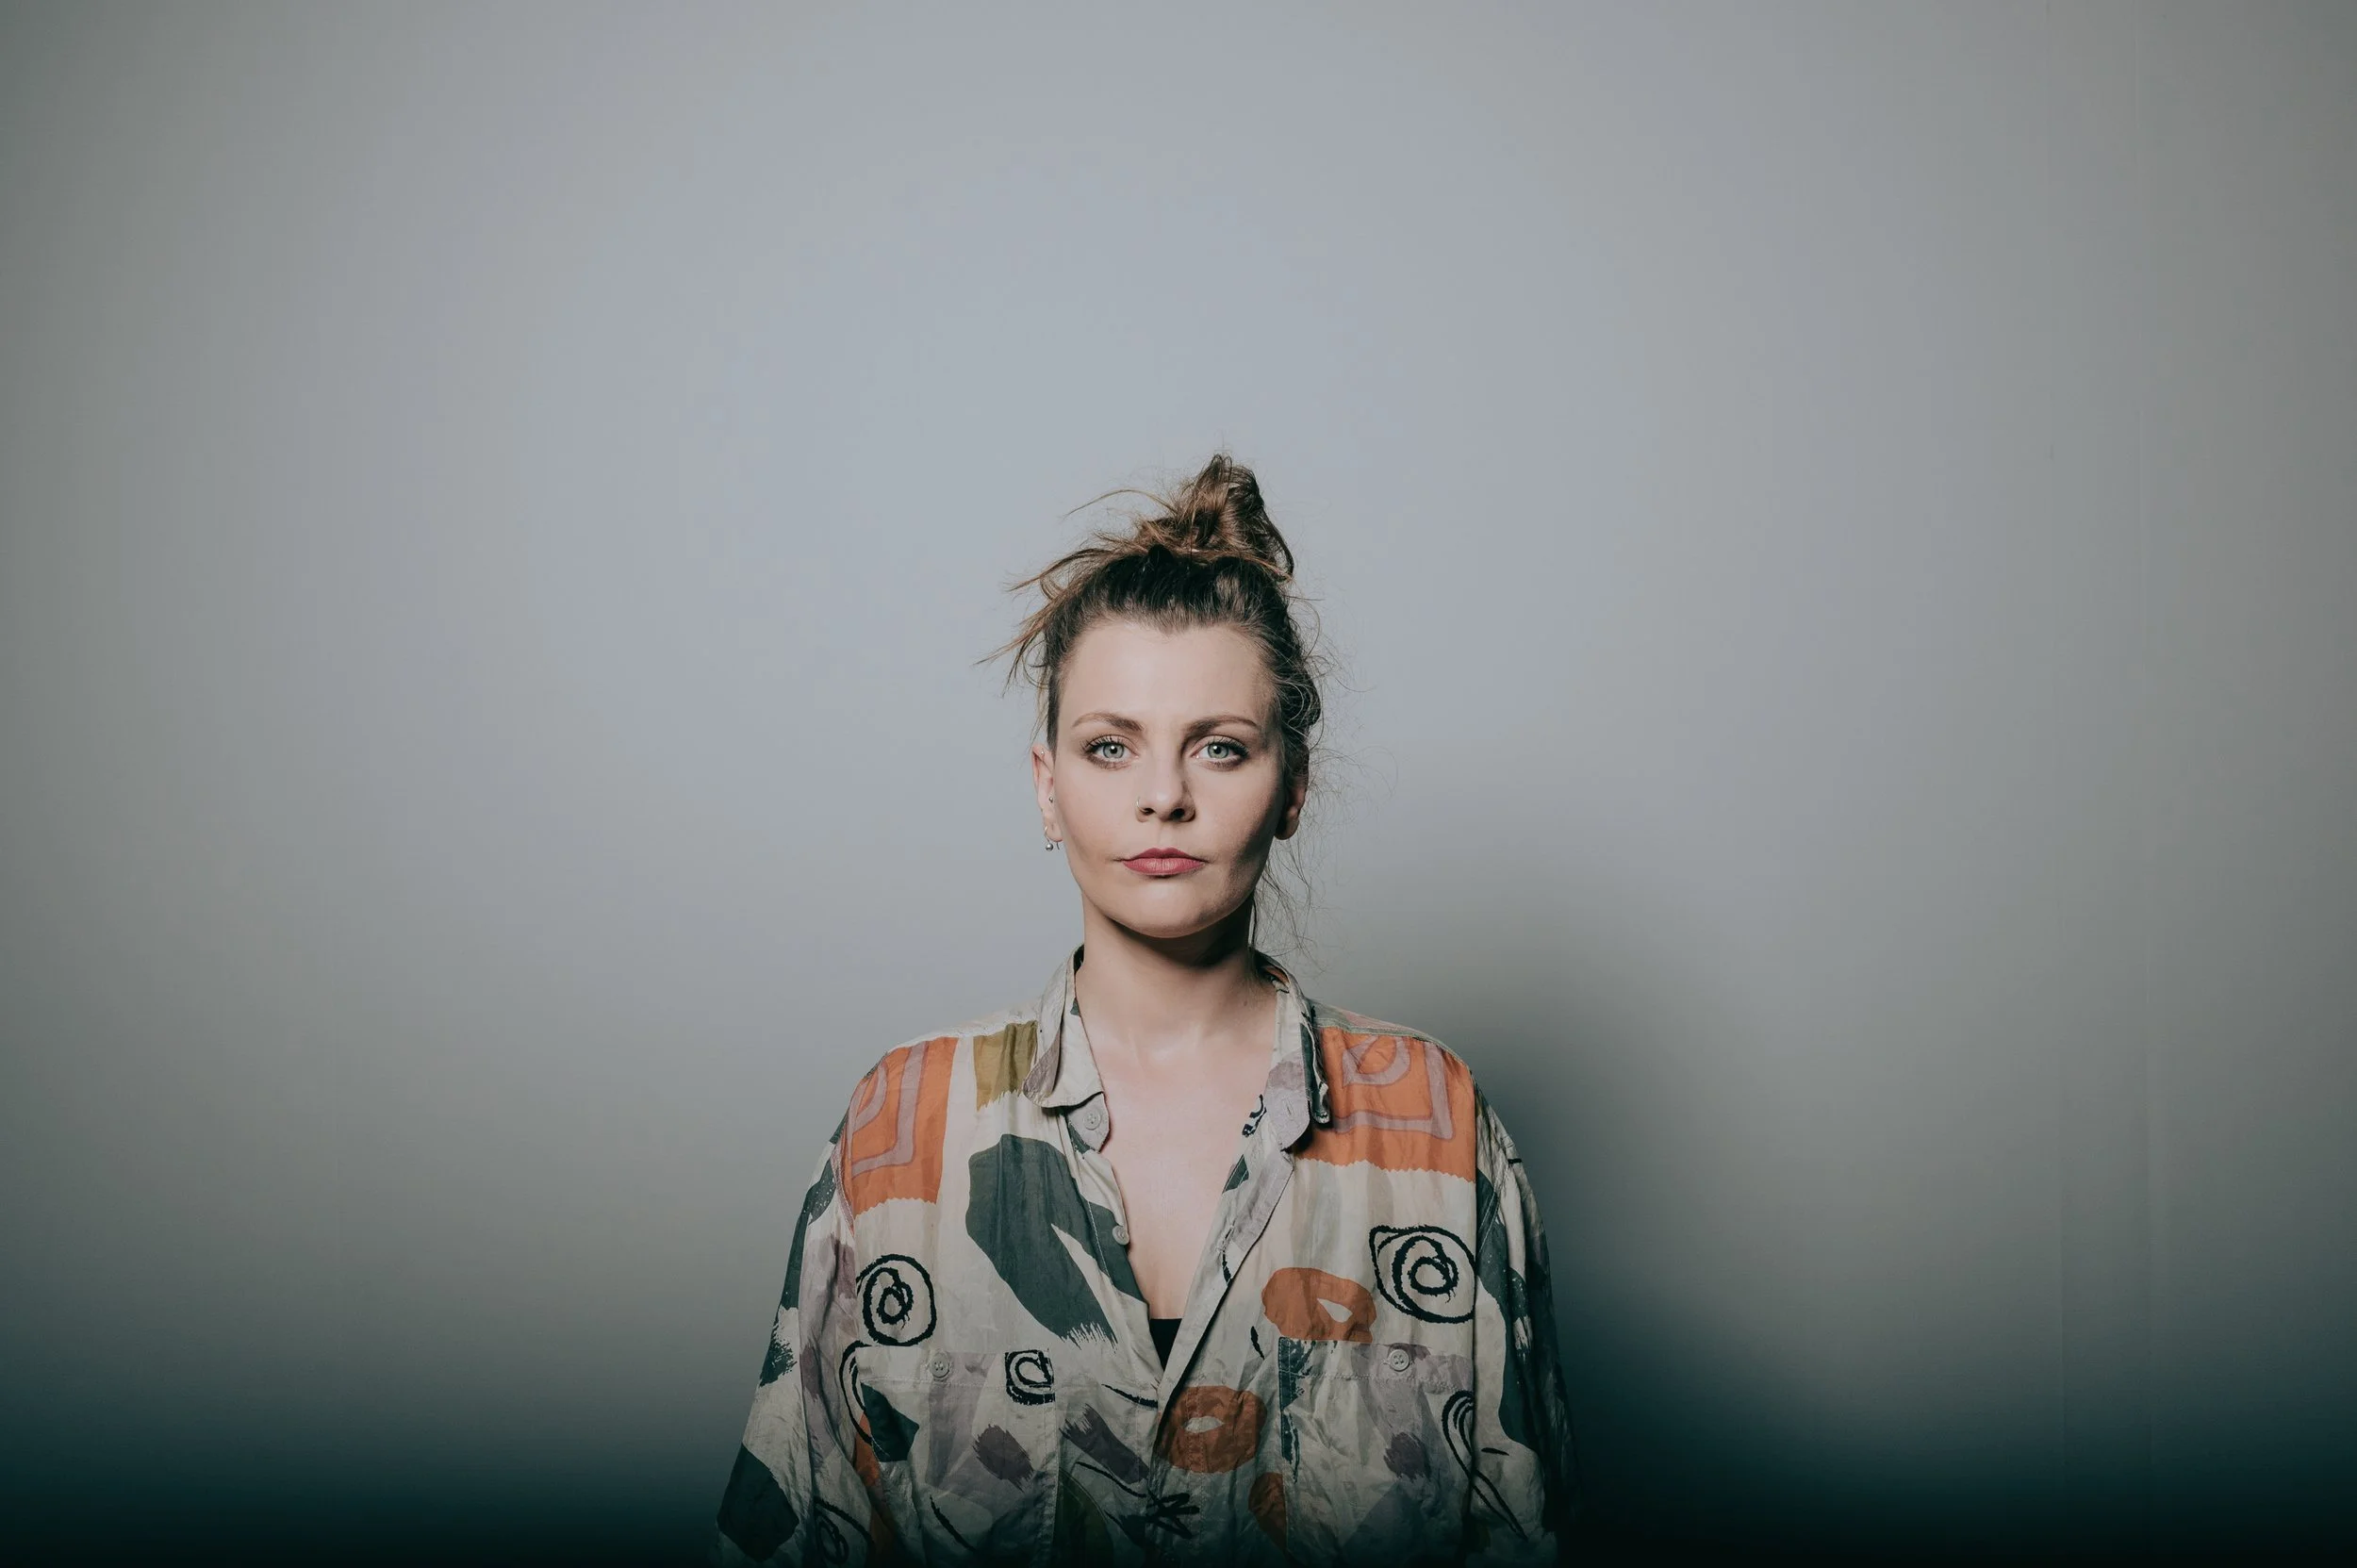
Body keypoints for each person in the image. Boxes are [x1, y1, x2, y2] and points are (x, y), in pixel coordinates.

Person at [713, 456, 1576, 1565]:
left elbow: (1522, 1529)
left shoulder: (1439, 1129)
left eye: (1219, 747)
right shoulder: (905, 1126)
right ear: (1047, 785)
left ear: (1293, 787)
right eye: (1109, 746)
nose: (1163, 795)